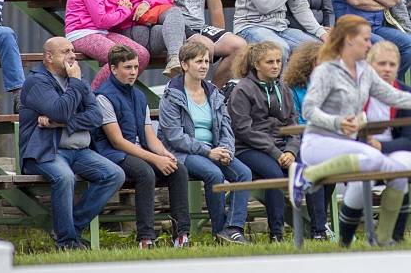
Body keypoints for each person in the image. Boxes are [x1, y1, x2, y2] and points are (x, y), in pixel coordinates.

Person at [291, 15, 411, 247]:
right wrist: (338, 122)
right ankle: (307, 176)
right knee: (373, 158)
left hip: (348, 145)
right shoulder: (326, 71)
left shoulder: (363, 73)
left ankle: (384, 240)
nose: (369, 43)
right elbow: (309, 110)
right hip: (320, 141)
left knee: (394, 169)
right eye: (365, 39)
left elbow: (397, 97)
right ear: (349, 41)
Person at [18, 37, 125, 251]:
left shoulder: (77, 79)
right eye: (65, 51)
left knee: (114, 174)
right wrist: (73, 88)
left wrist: (61, 123)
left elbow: (96, 117)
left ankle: (69, 229)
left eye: (73, 51)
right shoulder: (37, 82)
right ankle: (67, 242)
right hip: (47, 150)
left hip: (80, 151)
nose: (72, 56)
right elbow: (60, 110)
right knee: (64, 177)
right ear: (49, 57)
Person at [92, 45, 191, 249]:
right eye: (128, 67)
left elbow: (149, 134)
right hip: (114, 153)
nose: (134, 72)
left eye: (136, 67)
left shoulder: (139, 95)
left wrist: (164, 154)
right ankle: (146, 238)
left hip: (140, 151)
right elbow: (117, 141)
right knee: (145, 172)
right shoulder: (103, 96)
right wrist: (154, 159)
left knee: (178, 169)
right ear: (113, 69)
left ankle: (181, 235)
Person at [158, 42, 252, 244]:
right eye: (198, 61)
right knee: (214, 174)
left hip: (215, 150)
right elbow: (175, 136)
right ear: (184, 64)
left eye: (207, 61)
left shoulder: (214, 93)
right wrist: (209, 152)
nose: (204, 66)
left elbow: (226, 126)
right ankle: (219, 231)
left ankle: (233, 229)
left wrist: (226, 149)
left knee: (244, 173)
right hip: (184, 152)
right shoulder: (171, 95)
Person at [336, 41, 411, 246]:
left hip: (393, 150)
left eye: (392, 65)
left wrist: (381, 148)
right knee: (359, 183)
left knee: (406, 164)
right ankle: (345, 241)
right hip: (359, 151)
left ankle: (394, 237)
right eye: (382, 64)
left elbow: (410, 140)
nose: (387, 69)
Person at [227, 42, 310, 242]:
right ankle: (277, 233)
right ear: (257, 64)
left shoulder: (284, 88)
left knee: (312, 166)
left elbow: (293, 123)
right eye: (270, 62)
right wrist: (277, 154)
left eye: (279, 61)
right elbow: (244, 130)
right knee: (274, 173)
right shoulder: (242, 90)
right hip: (247, 148)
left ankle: (318, 228)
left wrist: (290, 150)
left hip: (282, 147)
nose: (276, 66)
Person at [64, 0, 150, 90]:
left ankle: (120, 91)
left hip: (101, 32)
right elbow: (102, 20)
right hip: (82, 33)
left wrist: (121, 7)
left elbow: (107, 15)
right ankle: (93, 96)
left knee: (142, 55)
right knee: (120, 57)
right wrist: (124, 10)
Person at [282, 40, 334, 240]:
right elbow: (295, 119)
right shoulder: (292, 87)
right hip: (300, 139)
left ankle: (320, 223)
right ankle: (319, 230)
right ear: (309, 63)